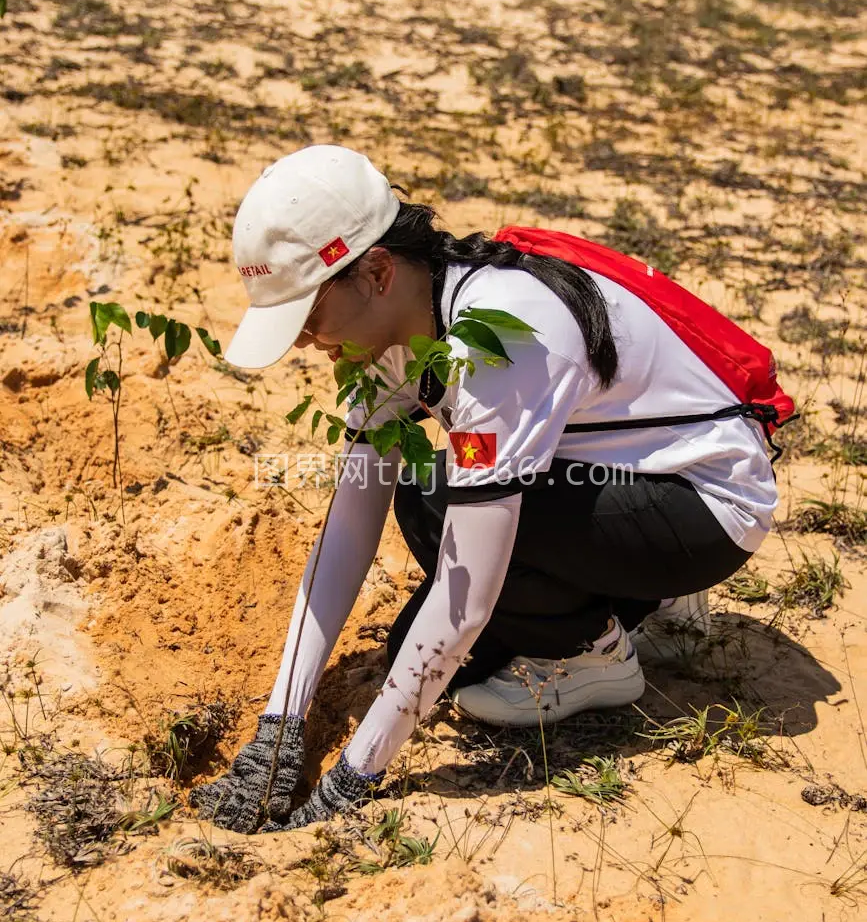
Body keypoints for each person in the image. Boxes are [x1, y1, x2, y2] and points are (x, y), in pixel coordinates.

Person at [191, 145, 780, 834]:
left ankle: (598, 655)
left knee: (437, 502)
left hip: (704, 506)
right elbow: (347, 528)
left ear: (376, 272)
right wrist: (280, 724)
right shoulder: (390, 333)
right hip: (617, 478)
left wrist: (353, 778)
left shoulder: (495, 344)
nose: (300, 343)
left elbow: (466, 594)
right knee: (418, 625)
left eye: (304, 317)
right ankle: (641, 602)